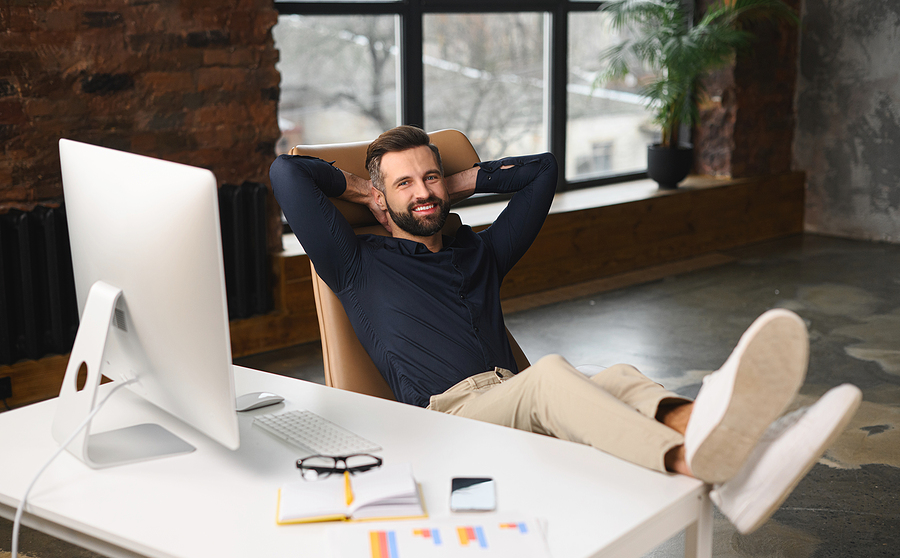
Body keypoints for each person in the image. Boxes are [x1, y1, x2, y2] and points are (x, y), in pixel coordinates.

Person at [270, 126, 860, 534]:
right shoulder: (354, 264)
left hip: (510, 397)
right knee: (552, 375)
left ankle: (731, 451)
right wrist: (359, 188)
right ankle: (692, 463)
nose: (423, 193)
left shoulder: (479, 252)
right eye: (406, 185)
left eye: (431, 178)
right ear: (382, 197)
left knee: (621, 376)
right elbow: (286, 173)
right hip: (446, 419)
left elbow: (541, 174)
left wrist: (457, 182)